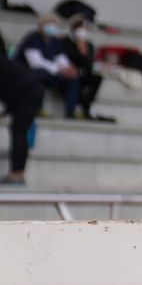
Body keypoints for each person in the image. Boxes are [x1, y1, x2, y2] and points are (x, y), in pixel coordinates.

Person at [15, 16, 83, 118]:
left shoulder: (55, 41)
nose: (52, 27)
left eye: (54, 24)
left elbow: (61, 58)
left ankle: (71, 111)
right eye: (49, 24)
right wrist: (60, 69)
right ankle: (37, 108)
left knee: (73, 77)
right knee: (40, 74)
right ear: (40, 26)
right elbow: (36, 63)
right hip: (28, 73)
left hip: (51, 72)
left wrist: (69, 68)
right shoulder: (32, 39)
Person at [0, 44, 43, 185]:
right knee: (20, 131)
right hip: (32, 90)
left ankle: (17, 174)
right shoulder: (7, 64)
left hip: (27, 92)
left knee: (18, 131)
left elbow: (13, 89)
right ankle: (18, 173)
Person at [62, 17, 107, 120]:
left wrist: (84, 52)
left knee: (96, 78)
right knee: (75, 77)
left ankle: (86, 107)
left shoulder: (89, 45)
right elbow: (66, 59)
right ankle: (73, 110)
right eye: (81, 28)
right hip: (68, 73)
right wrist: (78, 50)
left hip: (83, 73)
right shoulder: (66, 42)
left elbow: (89, 66)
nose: (83, 32)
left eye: (86, 29)